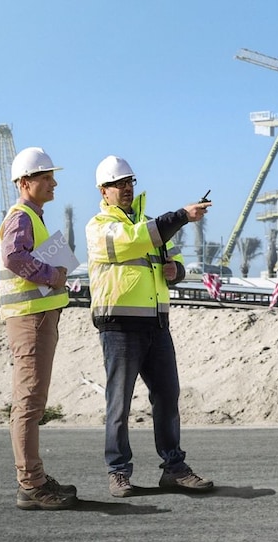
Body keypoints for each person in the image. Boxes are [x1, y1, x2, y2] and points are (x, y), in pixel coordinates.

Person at [86, 155, 215, 498]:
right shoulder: (101, 227)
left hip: (156, 323)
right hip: (119, 325)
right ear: (104, 190)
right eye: (118, 184)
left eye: (130, 182)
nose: (126, 188)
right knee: (119, 403)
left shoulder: (147, 225)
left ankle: (174, 468)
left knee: (167, 397)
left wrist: (177, 271)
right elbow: (136, 239)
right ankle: (118, 472)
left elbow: (175, 259)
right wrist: (183, 216)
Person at [0, 147, 78, 509]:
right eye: (46, 178)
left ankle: (35, 478)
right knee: (29, 402)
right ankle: (31, 484)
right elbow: (14, 257)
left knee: (32, 401)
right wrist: (52, 274)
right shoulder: (22, 217)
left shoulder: (32, 216)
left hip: (39, 317)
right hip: (30, 320)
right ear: (25, 182)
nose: (54, 183)